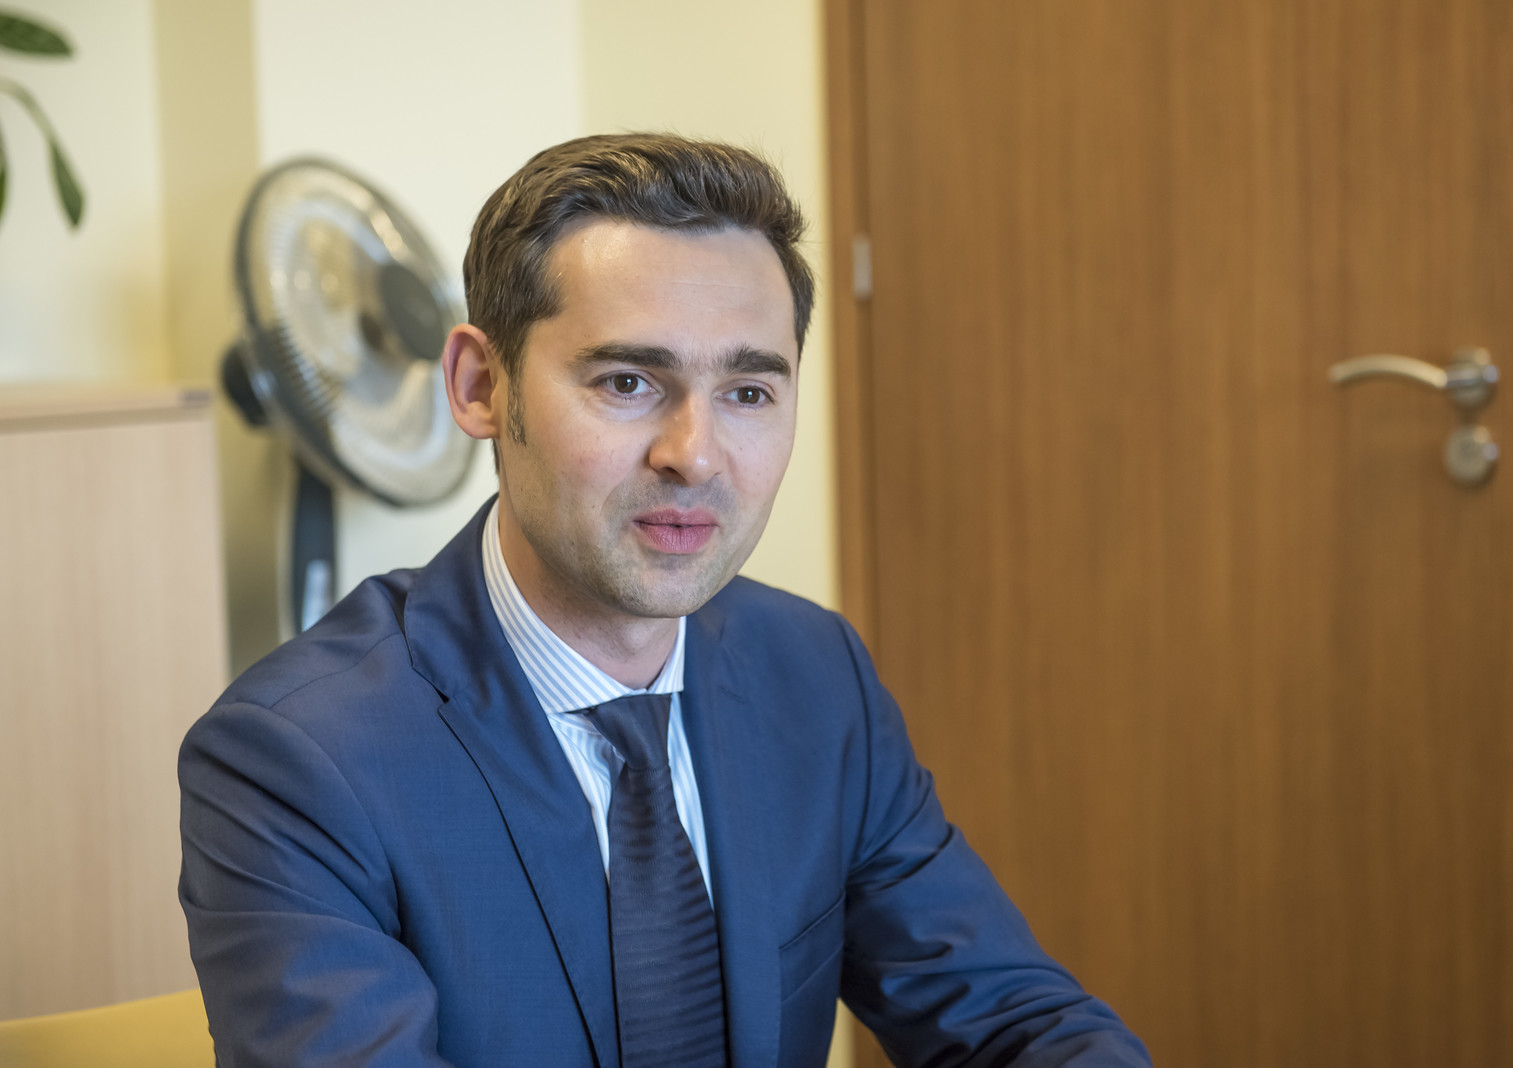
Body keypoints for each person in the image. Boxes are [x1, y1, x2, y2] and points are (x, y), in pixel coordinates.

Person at [179, 133, 1151, 1068]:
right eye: (628, 381)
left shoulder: (816, 675)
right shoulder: (299, 760)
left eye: (748, 393)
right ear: (480, 387)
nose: (695, 455)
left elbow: (1011, 1022)